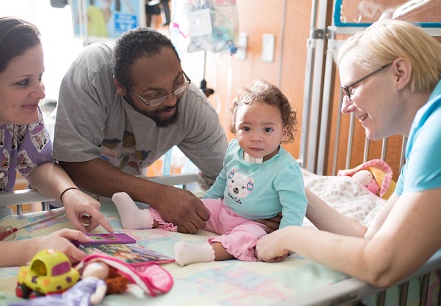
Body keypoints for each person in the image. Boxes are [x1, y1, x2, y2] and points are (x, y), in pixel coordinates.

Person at [256, 19, 441, 287]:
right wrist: (295, 187)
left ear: (399, 72)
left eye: (351, 89)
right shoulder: (433, 130)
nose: (345, 107)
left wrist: (290, 236)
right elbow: (370, 240)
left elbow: (382, 263)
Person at [0, 15, 114, 271]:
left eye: (40, 77)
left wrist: (70, 193)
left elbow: (38, 165)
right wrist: (37, 248)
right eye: (23, 82)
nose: (41, 92)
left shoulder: (19, 116)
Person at [53, 27, 229, 234]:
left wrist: (263, 209)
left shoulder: (194, 109)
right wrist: (158, 195)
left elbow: (227, 176)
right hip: (71, 199)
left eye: (178, 82)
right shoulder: (92, 73)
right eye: (155, 95)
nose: (172, 100)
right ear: (120, 86)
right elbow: (75, 162)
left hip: (128, 207)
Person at [113, 79, 308, 266]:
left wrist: (284, 241)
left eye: (267, 129)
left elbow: (295, 208)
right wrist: (202, 204)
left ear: (283, 132)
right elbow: (223, 181)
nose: (256, 137)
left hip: (255, 222)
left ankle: (204, 253)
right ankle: (142, 218)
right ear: (235, 128)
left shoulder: (285, 169)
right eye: (246, 128)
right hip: (223, 210)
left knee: (249, 239)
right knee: (186, 207)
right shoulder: (234, 150)